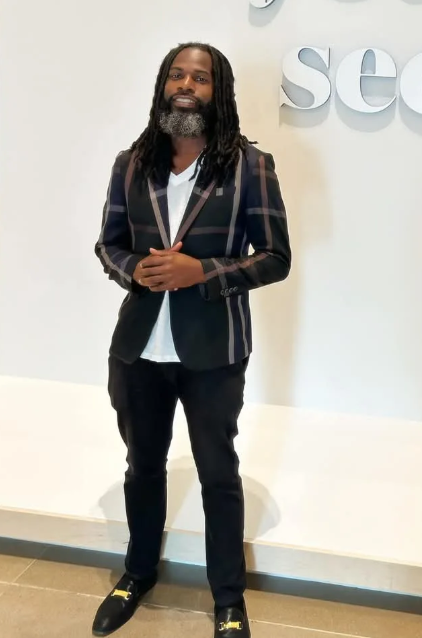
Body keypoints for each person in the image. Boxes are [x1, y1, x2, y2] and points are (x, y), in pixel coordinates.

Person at [92, 43, 291, 637]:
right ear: (163, 85)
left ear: (217, 91)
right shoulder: (132, 163)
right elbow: (108, 244)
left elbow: (275, 258)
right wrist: (136, 269)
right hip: (138, 350)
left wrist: (200, 272)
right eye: (177, 75)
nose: (186, 85)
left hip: (213, 351)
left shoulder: (250, 166)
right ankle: (136, 575)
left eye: (199, 78)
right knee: (142, 467)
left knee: (217, 475)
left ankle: (228, 600)